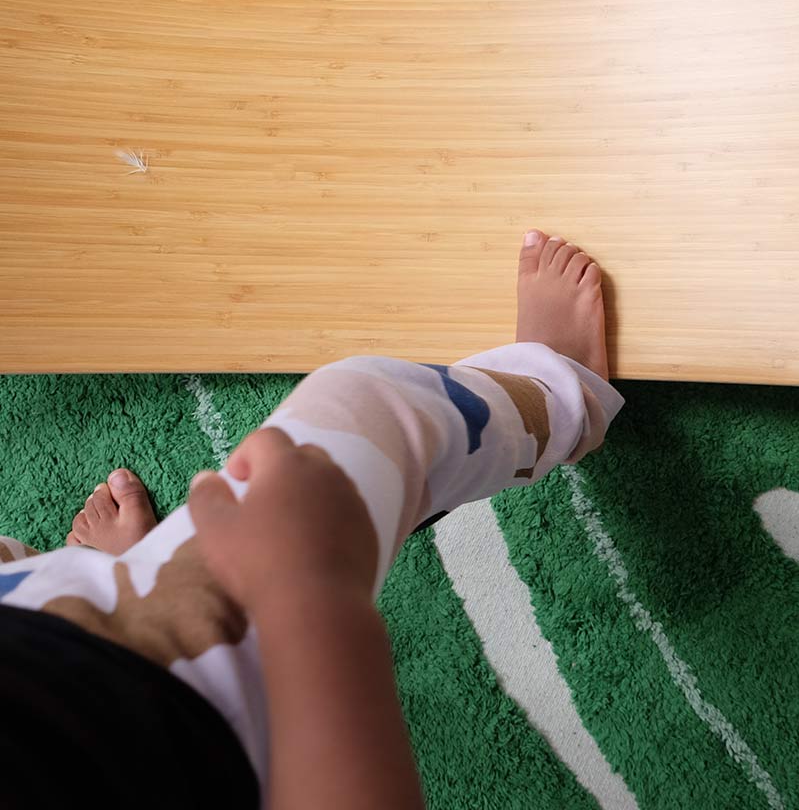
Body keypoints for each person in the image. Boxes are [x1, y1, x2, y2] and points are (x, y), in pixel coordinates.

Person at [0, 229, 623, 809]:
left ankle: (100, 579)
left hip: (38, 635)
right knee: (359, 411)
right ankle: (560, 392)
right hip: (183, 708)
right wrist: (304, 587)